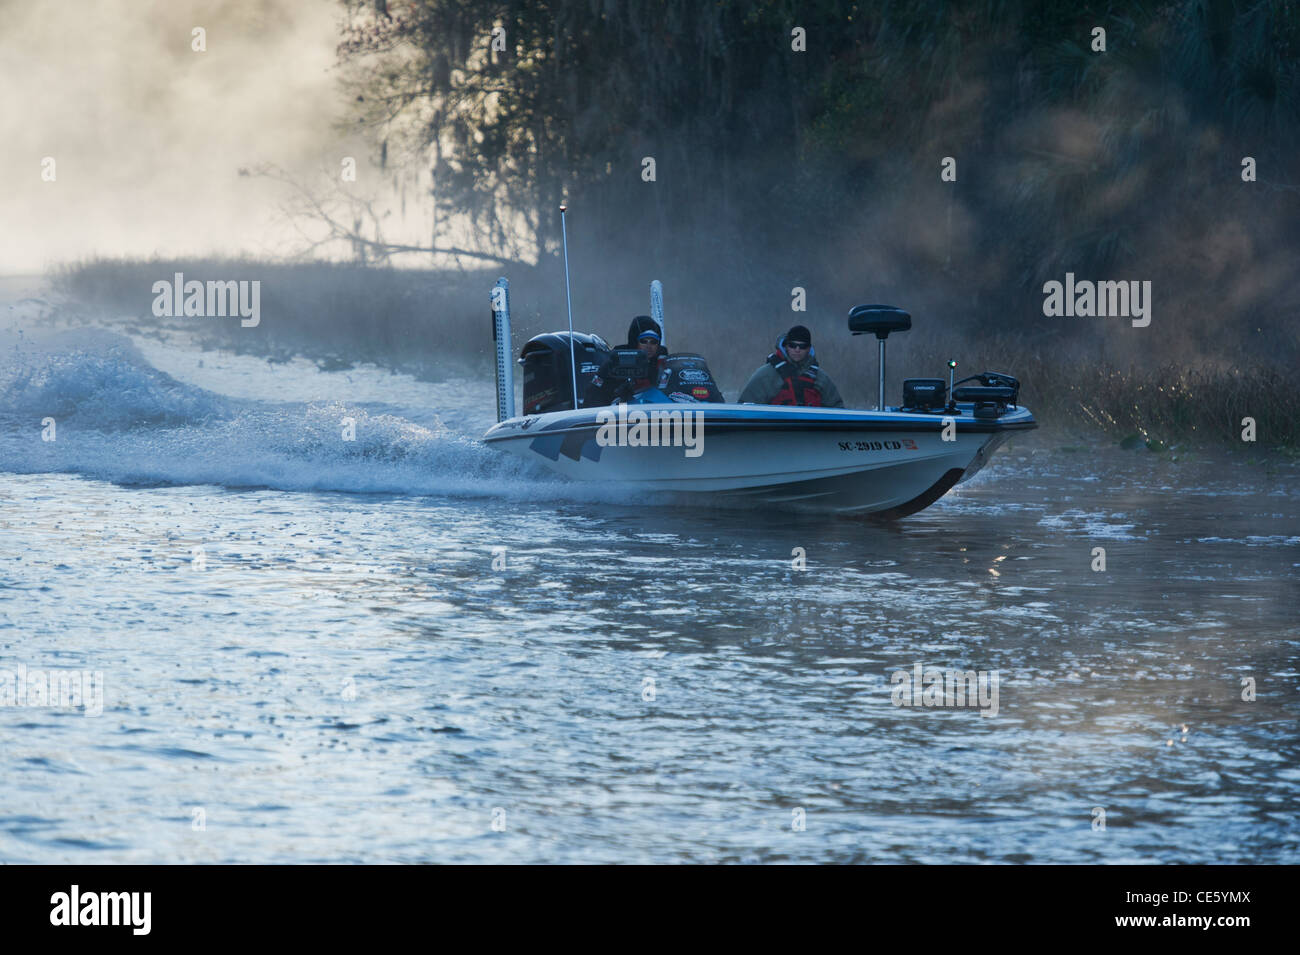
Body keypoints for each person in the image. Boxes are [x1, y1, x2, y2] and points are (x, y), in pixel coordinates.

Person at [738, 324, 845, 407]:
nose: (797, 350)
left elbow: (838, 409)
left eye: (802, 346)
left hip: (811, 433)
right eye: (793, 345)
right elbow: (745, 407)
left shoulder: (821, 378)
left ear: (809, 349)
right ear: (786, 346)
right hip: (773, 433)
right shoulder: (766, 375)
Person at [583, 315, 668, 406]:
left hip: (661, 413)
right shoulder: (616, 361)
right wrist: (617, 392)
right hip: (623, 413)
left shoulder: (663, 360)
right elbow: (592, 395)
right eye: (643, 341)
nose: (649, 346)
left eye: (653, 341)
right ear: (634, 341)